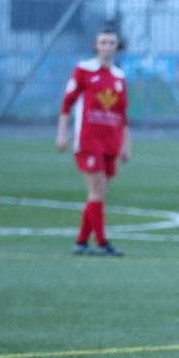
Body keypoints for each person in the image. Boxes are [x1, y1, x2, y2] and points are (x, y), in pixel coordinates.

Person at [56, 27, 131, 256]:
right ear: (96, 46)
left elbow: (122, 114)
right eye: (103, 42)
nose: (107, 46)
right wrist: (62, 133)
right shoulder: (84, 70)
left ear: (117, 46)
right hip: (89, 140)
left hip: (111, 141)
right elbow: (67, 104)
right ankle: (102, 243)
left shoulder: (119, 76)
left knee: (98, 194)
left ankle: (81, 242)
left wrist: (126, 144)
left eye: (111, 42)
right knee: (96, 190)